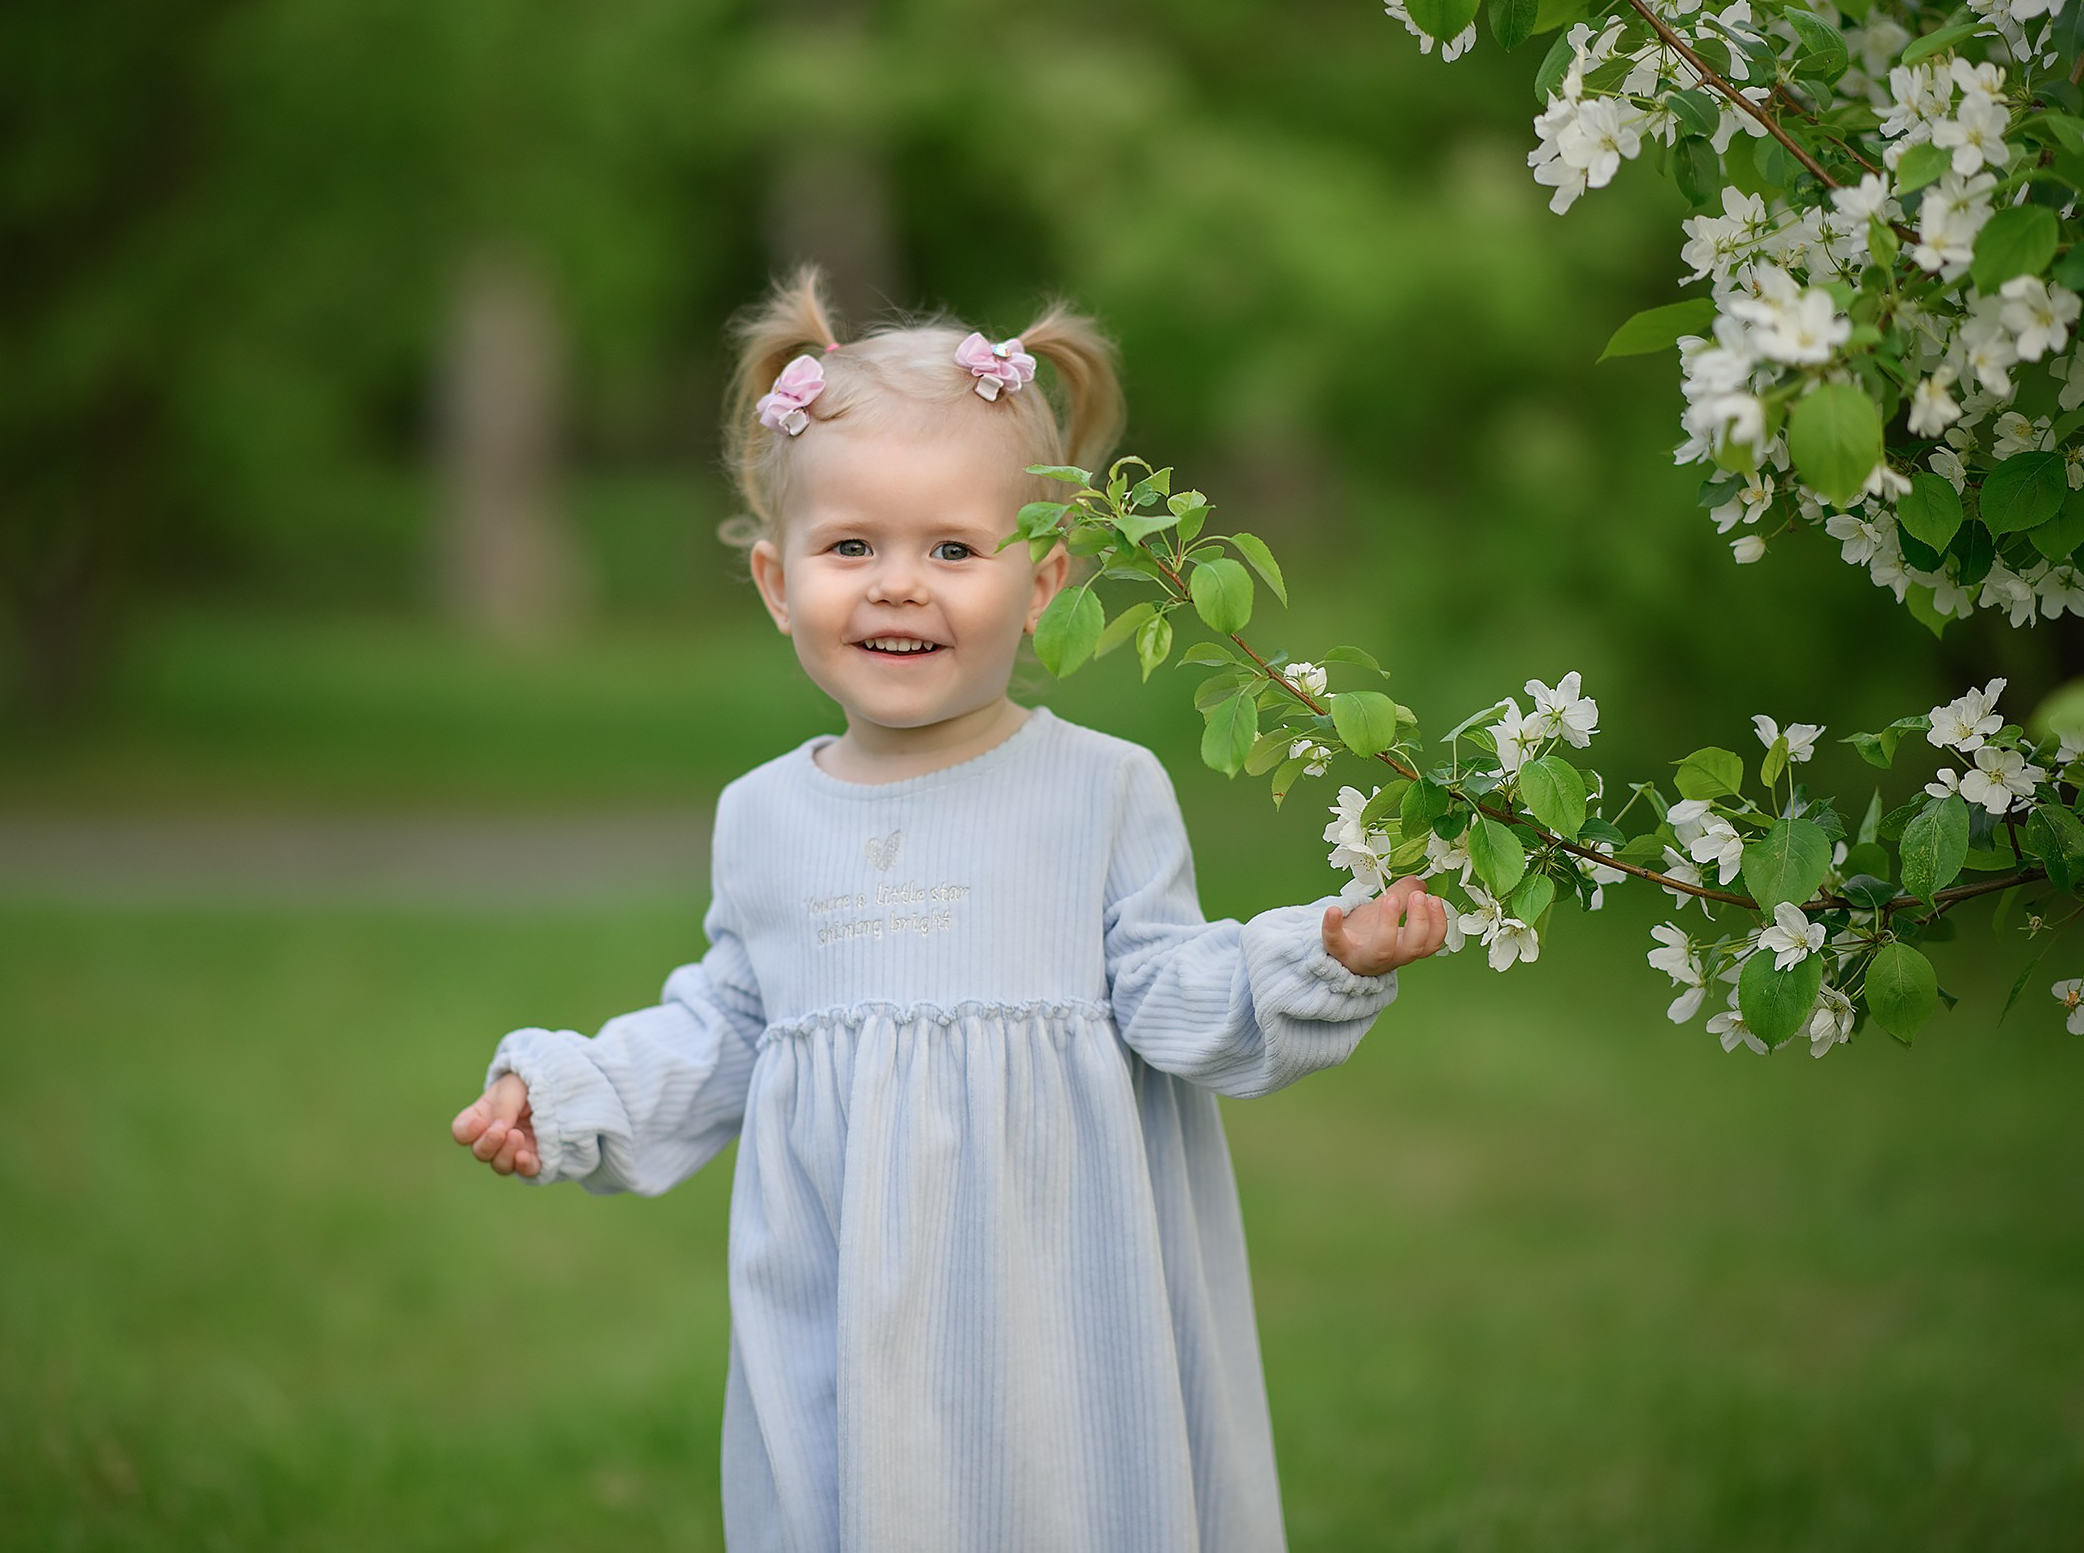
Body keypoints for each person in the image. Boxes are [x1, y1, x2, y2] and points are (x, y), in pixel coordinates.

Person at [449, 270, 1448, 1552]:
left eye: (954, 550)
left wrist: (1317, 954)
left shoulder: (1097, 792)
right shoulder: (763, 818)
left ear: (1042, 585)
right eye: (851, 546)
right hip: (852, 1311)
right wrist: (573, 1090)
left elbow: (1166, 991)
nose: (898, 586)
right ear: (775, 579)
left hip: (1066, 1301)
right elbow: (729, 1027)